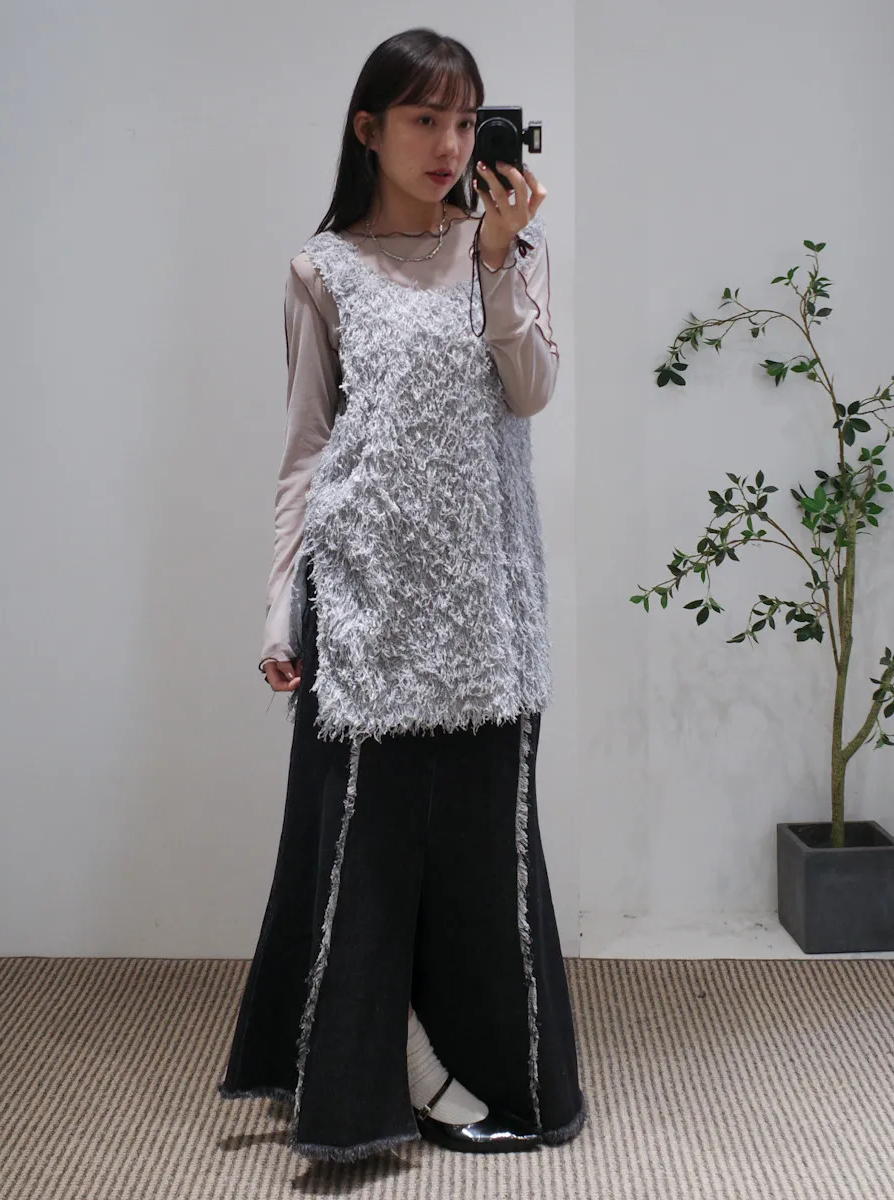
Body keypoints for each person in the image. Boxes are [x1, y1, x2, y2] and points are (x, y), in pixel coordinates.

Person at [216, 27, 588, 1163]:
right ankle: (382, 1077)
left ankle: (495, 1075)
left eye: (466, 121)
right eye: (426, 119)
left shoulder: (508, 249)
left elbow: (531, 392)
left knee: (483, 859)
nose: (450, 144)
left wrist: (499, 262)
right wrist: (279, 608)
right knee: (361, 856)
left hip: (489, 609)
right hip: (364, 601)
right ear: (368, 129)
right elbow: (306, 449)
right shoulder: (321, 269)